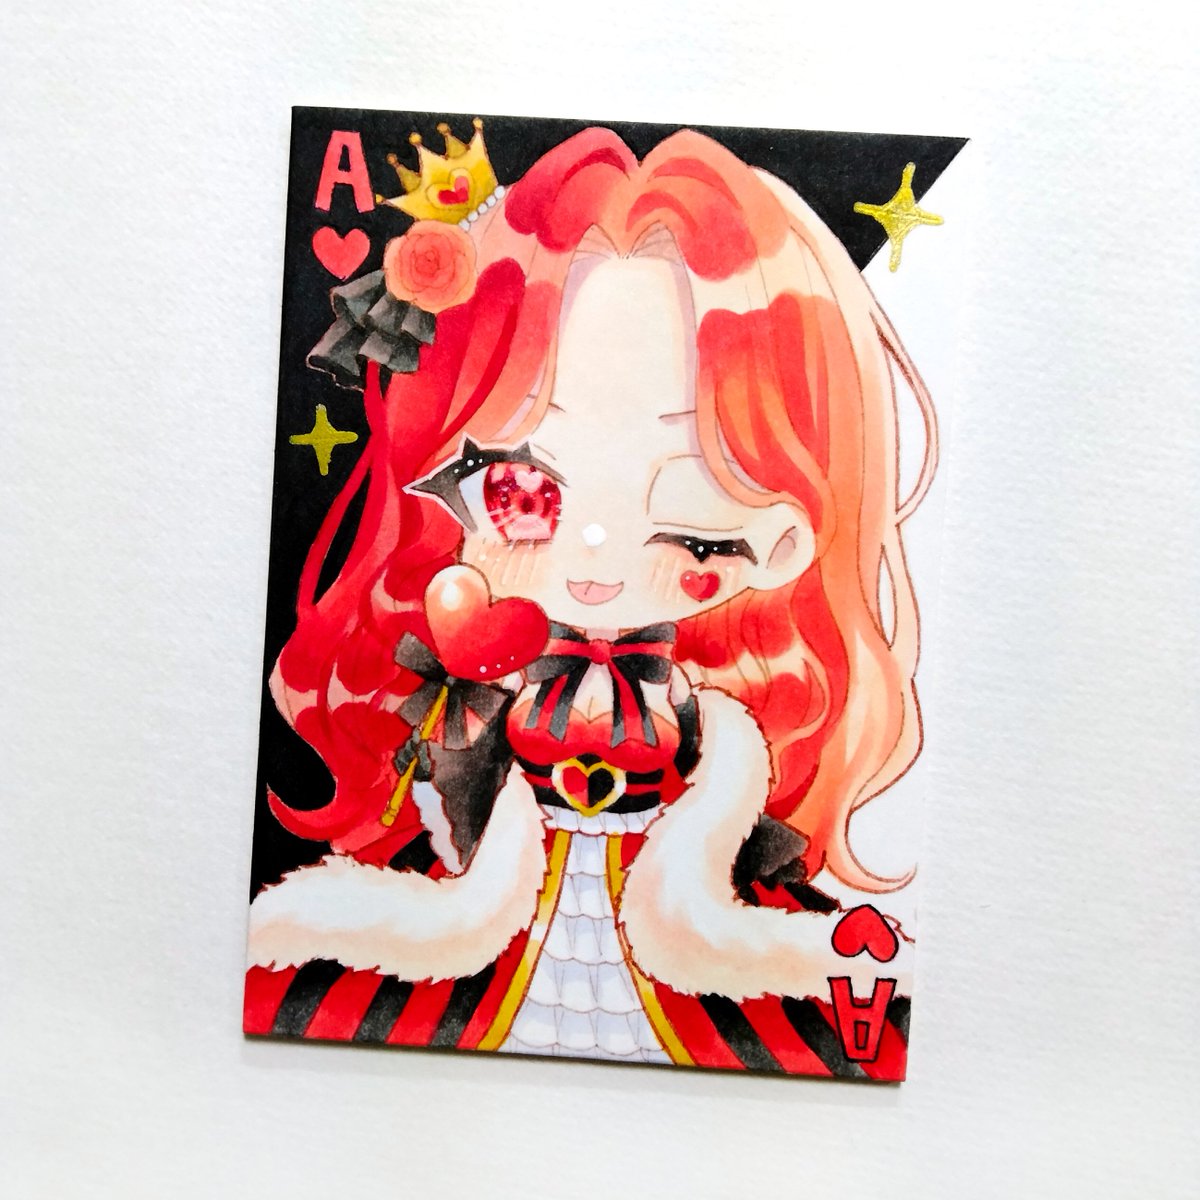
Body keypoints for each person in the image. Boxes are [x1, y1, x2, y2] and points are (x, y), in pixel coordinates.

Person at [244, 125, 935, 1079]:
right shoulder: (489, 672)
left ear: (783, 539)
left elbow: (732, 787)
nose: (598, 558)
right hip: (483, 936)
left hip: (684, 935)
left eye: (688, 522)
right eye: (524, 490)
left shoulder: (714, 722)